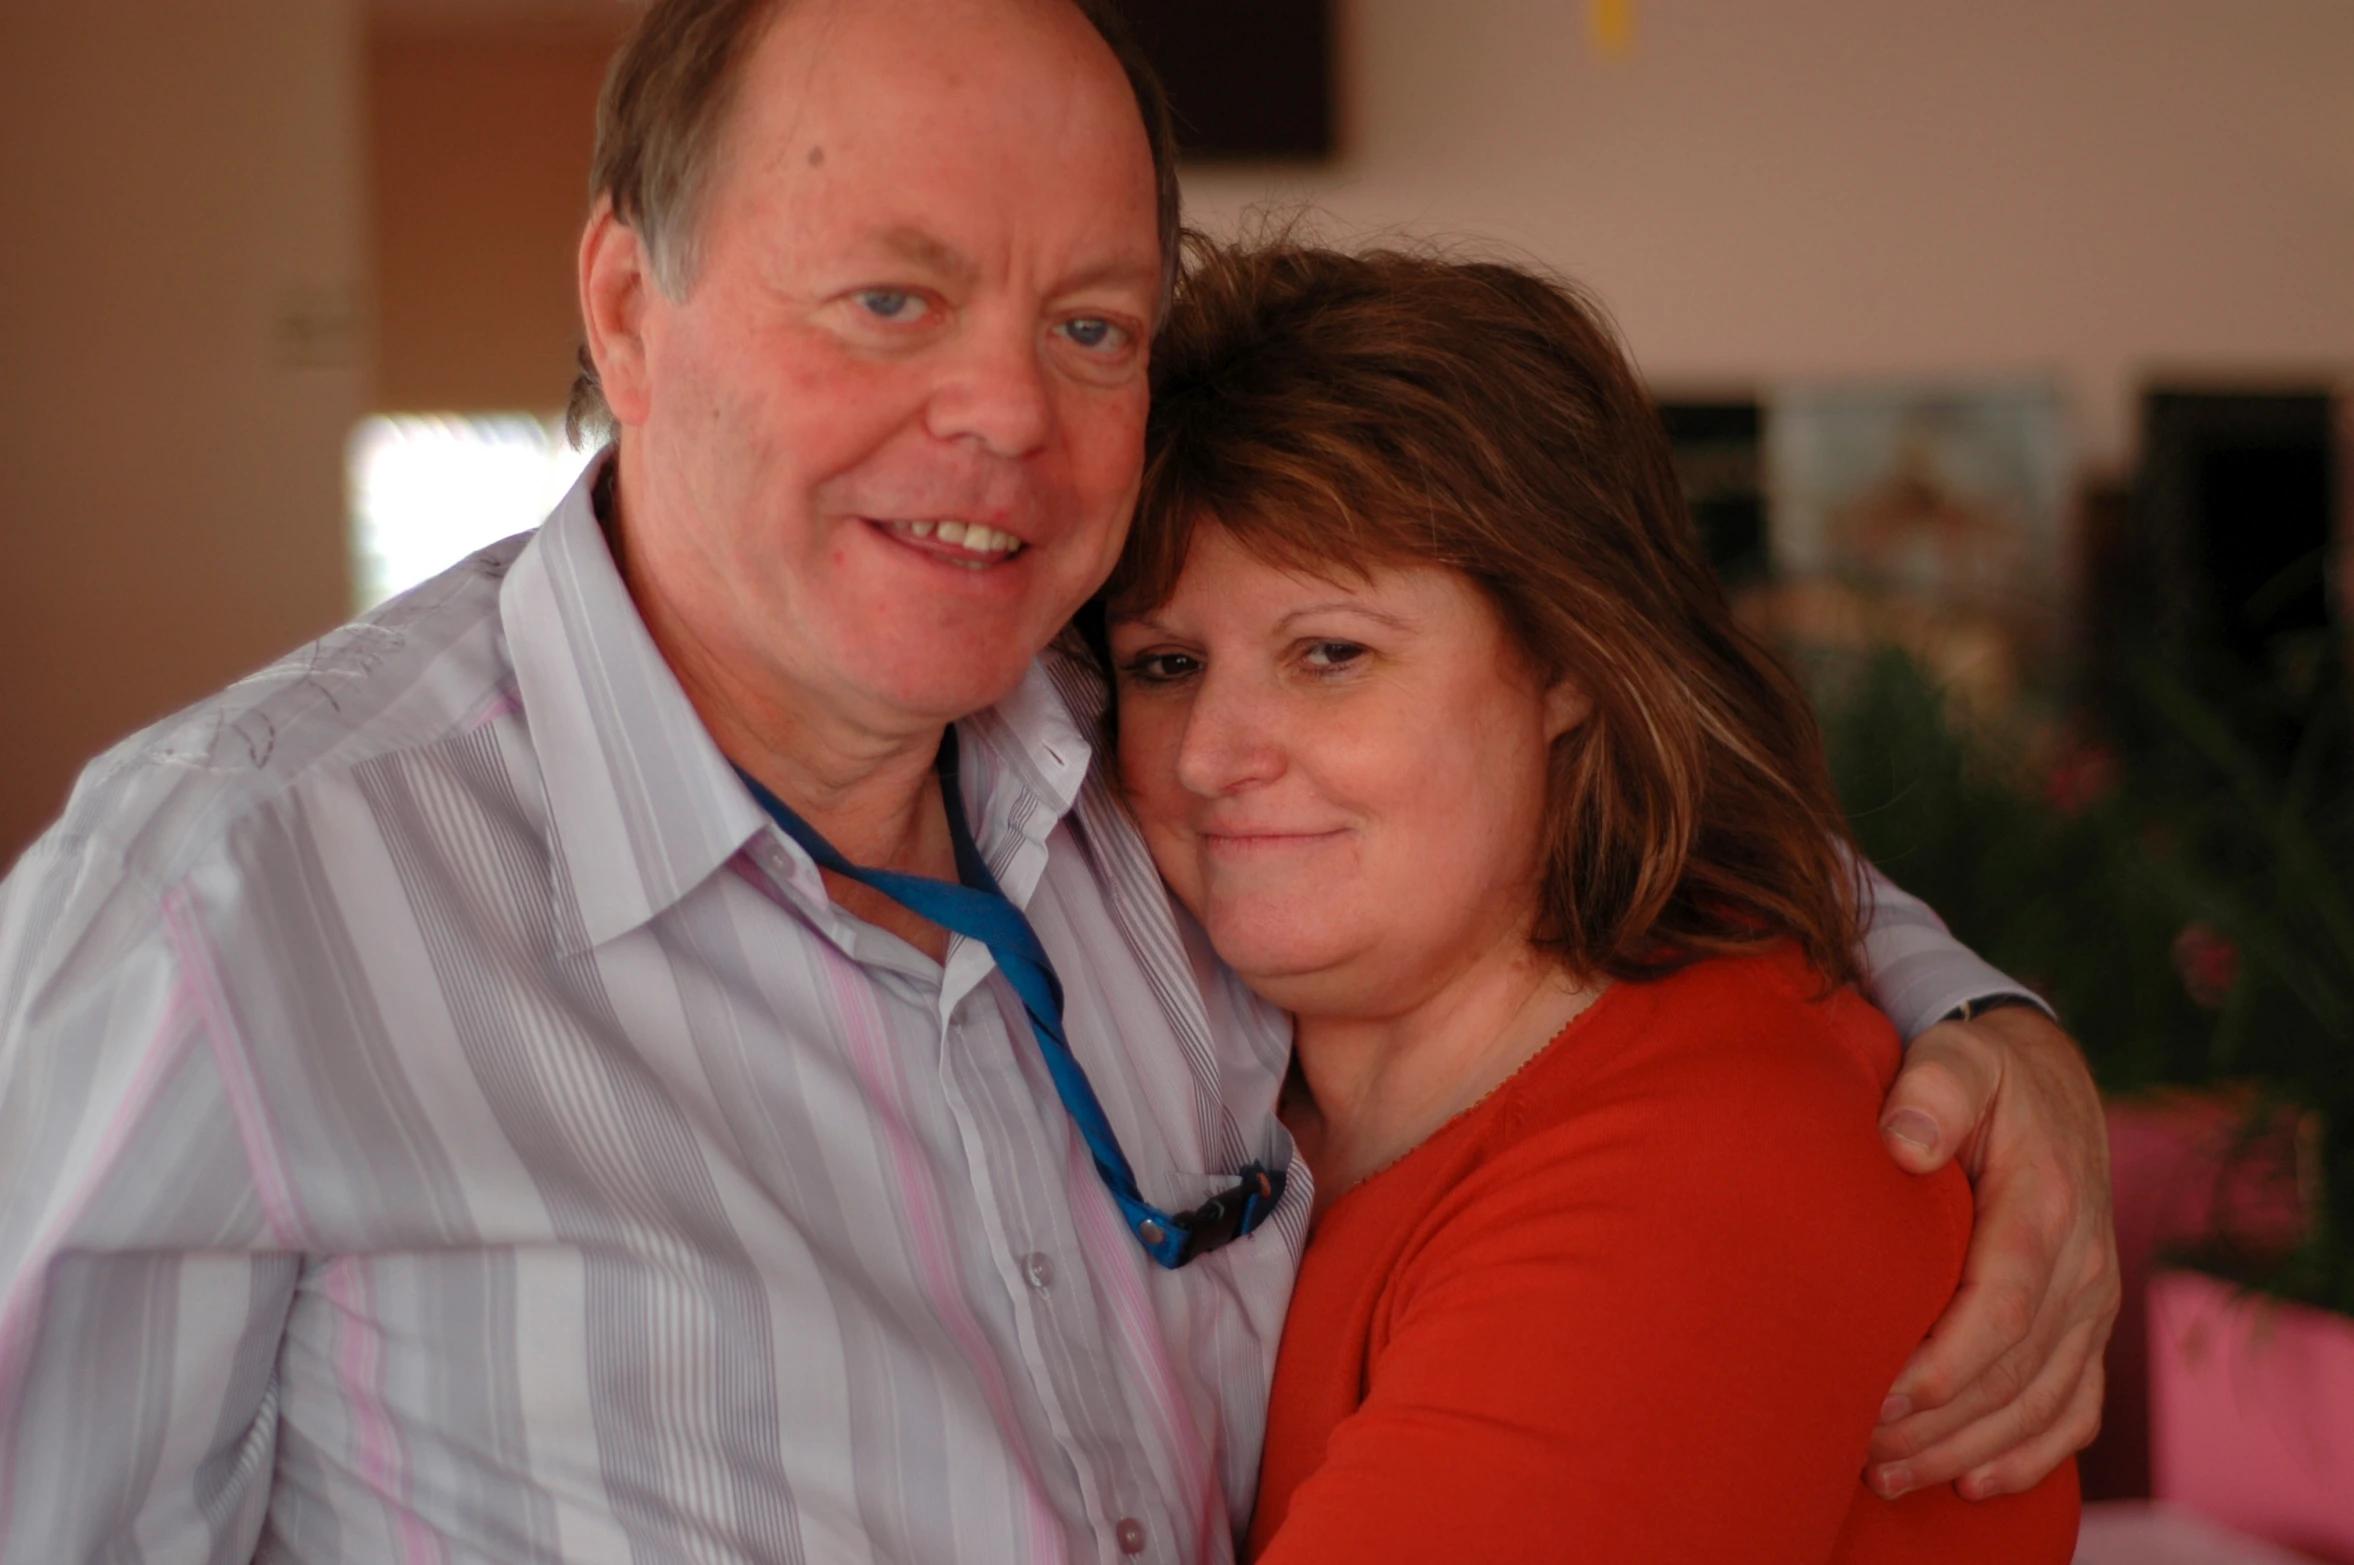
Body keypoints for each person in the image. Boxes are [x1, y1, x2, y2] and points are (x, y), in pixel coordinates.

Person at [0, 0, 2107, 1559]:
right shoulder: (230, 907)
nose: (1002, 409)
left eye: (1093, 327)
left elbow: (1548, 803)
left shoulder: (1137, 771)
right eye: (892, 298)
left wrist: (1970, 1017)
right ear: (631, 308)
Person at [1100, 238, 2082, 1559]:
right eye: (1163, 664)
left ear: (1565, 660)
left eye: (1329, 654)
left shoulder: (1694, 1172)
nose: (1214, 756)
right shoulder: (1246, 1081)